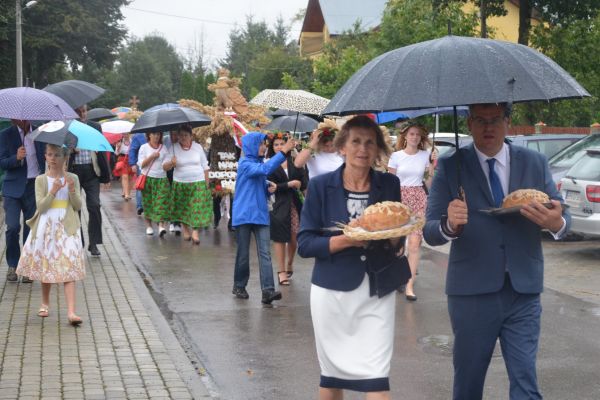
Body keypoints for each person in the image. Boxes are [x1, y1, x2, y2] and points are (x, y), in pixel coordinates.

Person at [423, 103, 570, 400]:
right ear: (468, 123)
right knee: (468, 384)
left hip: (523, 290)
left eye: (495, 120)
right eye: (480, 120)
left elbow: (560, 214)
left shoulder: (534, 162)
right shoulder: (452, 166)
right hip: (471, 293)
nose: (488, 127)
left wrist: (557, 223)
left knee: (526, 384)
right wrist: (450, 225)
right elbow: (429, 230)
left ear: (507, 121)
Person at [297, 115, 404, 399]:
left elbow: (396, 241)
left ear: (378, 150)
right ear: (341, 146)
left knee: (377, 379)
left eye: (370, 143)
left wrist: (395, 234)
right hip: (332, 294)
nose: (363, 149)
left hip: (378, 292)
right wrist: (347, 239)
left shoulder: (390, 184)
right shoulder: (320, 186)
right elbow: (305, 244)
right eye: (356, 141)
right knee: (332, 379)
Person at [16, 144, 85, 325]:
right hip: (46, 227)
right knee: (47, 264)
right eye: (49, 155)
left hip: (67, 226)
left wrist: (70, 190)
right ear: (45, 157)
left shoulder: (73, 178)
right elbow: (41, 207)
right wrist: (53, 191)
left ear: (64, 158)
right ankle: (45, 303)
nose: (52, 158)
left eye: (56, 155)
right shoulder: (41, 180)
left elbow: (78, 206)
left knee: (69, 265)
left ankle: (71, 312)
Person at [231, 132, 295, 304]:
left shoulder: (259, 164)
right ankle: (239, 285)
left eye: (264, 144)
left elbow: (259, 182)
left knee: (265, 253)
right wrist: (284, 152)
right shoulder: (244, 163)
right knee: (243, 254)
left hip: (260, 214)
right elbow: (263, 170)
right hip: (244, 215)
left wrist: (268, 188)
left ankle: (268, 291)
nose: (264, 147)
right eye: (260, 144)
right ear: (251, 146)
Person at [387, 121, 434, 301]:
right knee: (397, 245)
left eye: (417, 134)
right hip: (399, 197)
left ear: (421, 137)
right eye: (411, 134)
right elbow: (390, 182)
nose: (415, 137)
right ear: (405, 136)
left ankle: (409, 285)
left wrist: (431, 165)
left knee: (414, 244)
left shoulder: (426, 155)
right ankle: (398, 275)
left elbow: (429, 183)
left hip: (418, 198)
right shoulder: (396, 156)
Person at [0, 119, 46, 282]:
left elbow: (47, 156)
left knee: (31, 229)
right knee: (12, 227)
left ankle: (27, 267)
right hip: (12, 188)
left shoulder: (40, 133)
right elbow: (2, 162)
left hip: (34, 186)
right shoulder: (6, 135)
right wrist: (16, 158)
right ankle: (13, 265)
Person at [67, 105, 111, 257]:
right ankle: (78, 243)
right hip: (74, 172)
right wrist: (71, 149)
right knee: (75, 209)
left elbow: (102, 150)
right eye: (78, 112)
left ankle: (94, 243)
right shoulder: (68, 128)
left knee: (94, 205)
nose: (82, 114)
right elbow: (60, 149)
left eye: (84, 111)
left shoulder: (95, 126)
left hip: (92, 172)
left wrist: (106, 176)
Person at [266, 133, 306, 286]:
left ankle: (290, 262)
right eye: (276, 144)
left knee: (294, 239)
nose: (279, 147)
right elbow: (270, 186)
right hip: (278, 205)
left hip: (295, 204)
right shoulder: (269, 164)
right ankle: (281, 271)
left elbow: (303, 182)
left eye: (282, 143)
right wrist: (289, 184)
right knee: (280, 238)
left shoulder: (295, 162)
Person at [162, 125, 212, 244]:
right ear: (177, 137)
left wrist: (207, 183)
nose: (183, 138)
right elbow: (164, 167)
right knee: (183, 208)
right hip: (180, 183)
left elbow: (205, 166)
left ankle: (195, 232)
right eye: (181, 135)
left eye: (186, 135)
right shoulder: (173, 148)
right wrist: (171, 163)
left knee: (197, 208)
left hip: (198, 182)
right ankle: (185, 229)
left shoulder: (198, 147)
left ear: (191, 136)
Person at [137, 132, 171, 236]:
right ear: (149, 135)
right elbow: (141, 165)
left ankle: (161, 226)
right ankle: (149, 226)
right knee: (148, 203)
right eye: (154, 134)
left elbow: (166, 166)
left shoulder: (164, 148)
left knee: (161, 203)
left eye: (158, 135)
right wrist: (152, 156)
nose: (156, 136)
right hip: (148, 179)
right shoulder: (144, 148)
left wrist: (171, 163)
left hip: (161, 179)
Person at [163, 130, 182, 235]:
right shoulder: (166, 141)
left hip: (180, 173)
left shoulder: (181, 143)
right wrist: (171, 162)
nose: (173, 136)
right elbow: (164, 160)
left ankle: (177, 222)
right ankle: (172, 221)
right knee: (171, 197)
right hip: (169, 172)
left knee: (179, 198)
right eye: (171, 134)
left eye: (175, 134)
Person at [128, 132, 147, 216]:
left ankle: (147, 206)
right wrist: (132, 164)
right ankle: (140, 206)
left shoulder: (158, 133)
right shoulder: (138, 135)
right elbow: (132, 150)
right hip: (141, 164)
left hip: (155, 164)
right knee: (141, 184)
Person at [113, 132, 135, 200]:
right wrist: (118, 147)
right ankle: (126, 194)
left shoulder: (133, 141)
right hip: (122, 160)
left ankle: (127, 192)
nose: (125, 135)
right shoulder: (120, 142)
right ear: (122, 134)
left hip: (131, 159)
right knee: (125, 176)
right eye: (124, 134)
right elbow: (116, 153)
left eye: (127, 133)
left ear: (129, 134)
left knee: (131, 177)